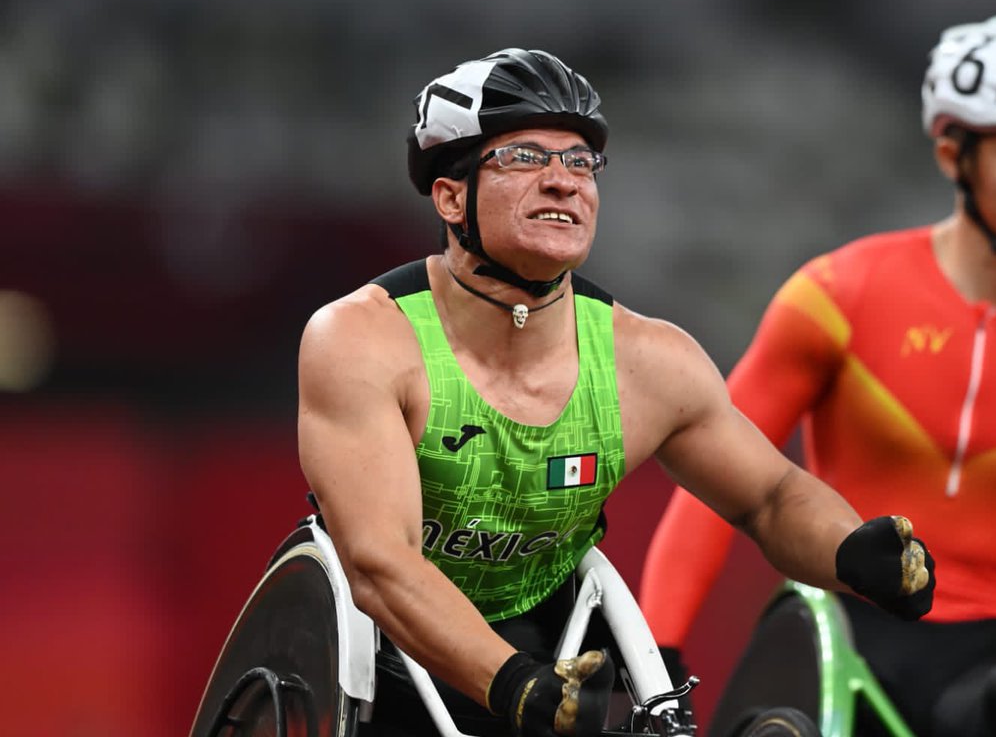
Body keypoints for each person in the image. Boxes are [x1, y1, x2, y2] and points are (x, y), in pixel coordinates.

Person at [295, 47, 936, 737]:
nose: (563, 182)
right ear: (451, 196)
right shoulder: (361, 340)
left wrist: (853, 552)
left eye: (580, 163)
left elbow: (771, 496)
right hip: (379, 656)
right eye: (525, 158)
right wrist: (514, 686)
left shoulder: (649, 361)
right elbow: (380, 562)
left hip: (552, 643)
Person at [639, 13, 996, 737]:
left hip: (993, 671)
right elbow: (710, 484)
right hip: (838, 637)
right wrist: (655, 662)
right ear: (952, 153)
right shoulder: (838, 295)